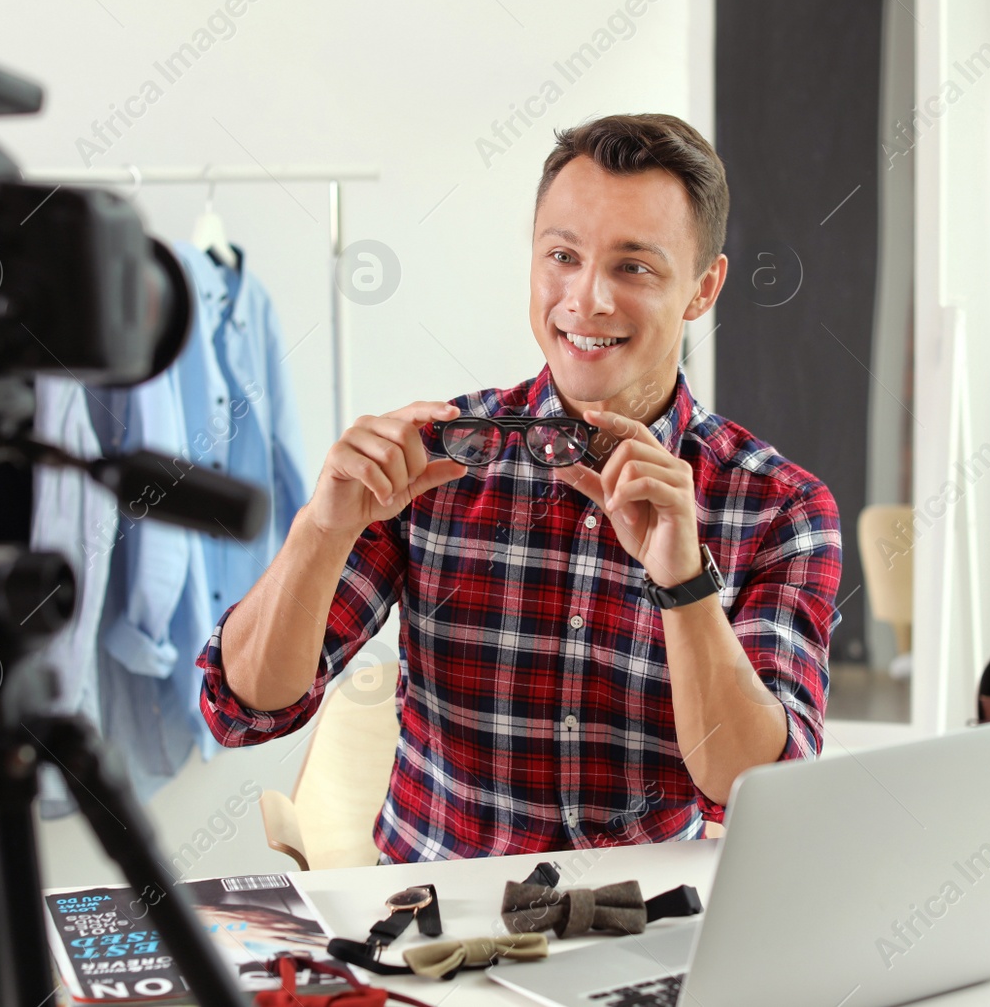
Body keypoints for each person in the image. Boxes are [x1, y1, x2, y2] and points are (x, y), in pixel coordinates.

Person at [198, 113, 842, 863]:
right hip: (433, 939)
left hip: (642, 933)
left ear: (702, 289)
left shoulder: (782, 509)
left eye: (634, 266)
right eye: (563, 256)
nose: (586, 298)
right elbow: (241, 710)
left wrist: (683, 582)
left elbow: (760, 793)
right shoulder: (433, 464)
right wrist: (322, 526)